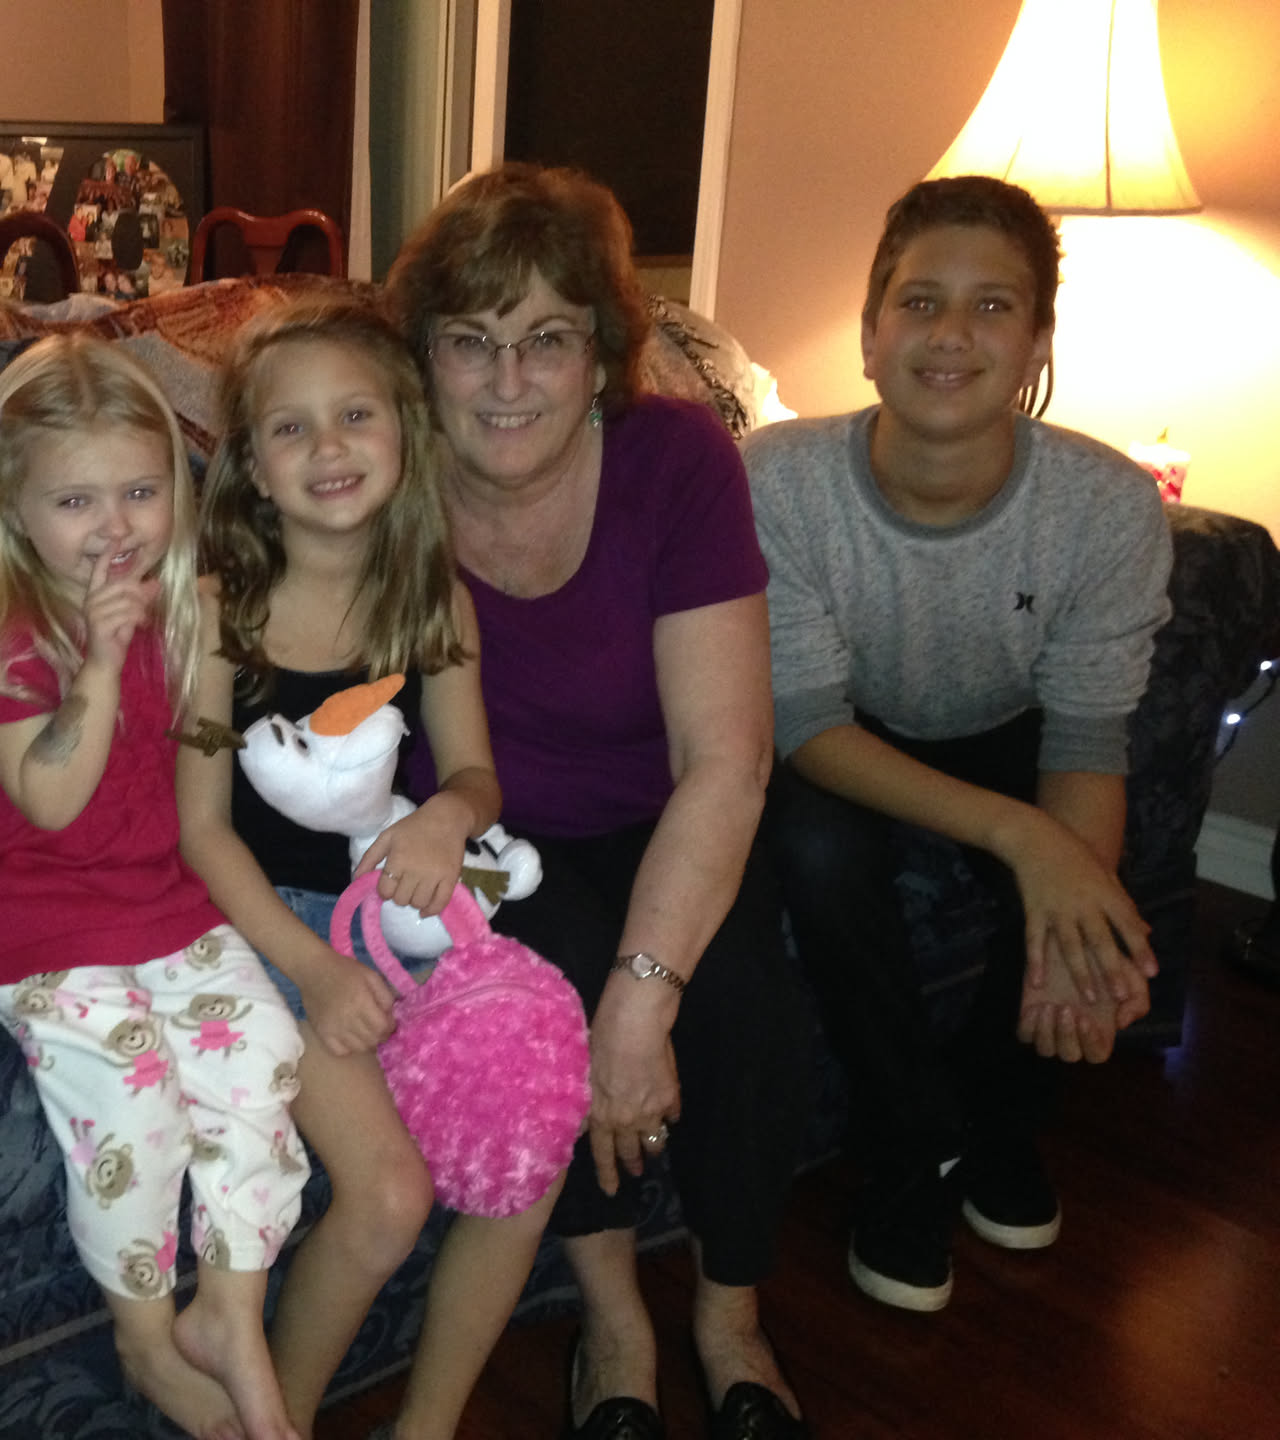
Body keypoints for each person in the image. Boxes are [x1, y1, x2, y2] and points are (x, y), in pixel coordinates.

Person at [384, 164, 811, 1440]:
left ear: (601, 354)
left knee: (740, 989)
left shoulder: (678, 461)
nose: (508, 380)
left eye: (547, 340)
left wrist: (646, 994)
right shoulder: (383, 477)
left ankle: (730, 1313)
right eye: (471, 341)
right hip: (480, 835)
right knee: (541, 1003)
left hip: (664, 806)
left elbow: (728, 760)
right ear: (425, 357)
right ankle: (614, 1319)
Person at [742, 175, 1171, 1315]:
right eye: (921, 301)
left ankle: (999, 1115)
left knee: (1085, 873)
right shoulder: (778, 481)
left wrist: (1071, 916)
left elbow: (1088, 732)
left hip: (1013, 730)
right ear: (870, 332)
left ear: (1038, 345)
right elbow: (806, 722)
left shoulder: (1107, 507)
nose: (950, 334)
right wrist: (1025, 839)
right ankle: (908, 1138)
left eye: (993, 307)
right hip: (846, 737)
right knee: (814, 846)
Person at [0, 334, 308, 1440]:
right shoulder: (3, 635)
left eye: (140, 491)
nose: (115, 526)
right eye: (77, 501)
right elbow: (54, 801)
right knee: (133, 1088)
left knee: (264, 1049)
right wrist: (103, 669)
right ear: (14, 509)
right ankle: (144, 1335)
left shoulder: (184, 607)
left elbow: (210, 752)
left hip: (155, 893)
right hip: (26, 906)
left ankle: (231, 1313)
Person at [175, 298, 562, 1440]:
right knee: (389, 1196)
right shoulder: (215, 611)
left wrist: (449, 815)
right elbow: (201, 833)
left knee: (530, 1139)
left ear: (404, 431)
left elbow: (478, 775)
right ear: (252, 467)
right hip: (253, 930)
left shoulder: (432, 599)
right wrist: (314, 971)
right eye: (289, 428)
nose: (328, 447)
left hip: (383, 910)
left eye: (355, 415)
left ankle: (425, 1426)